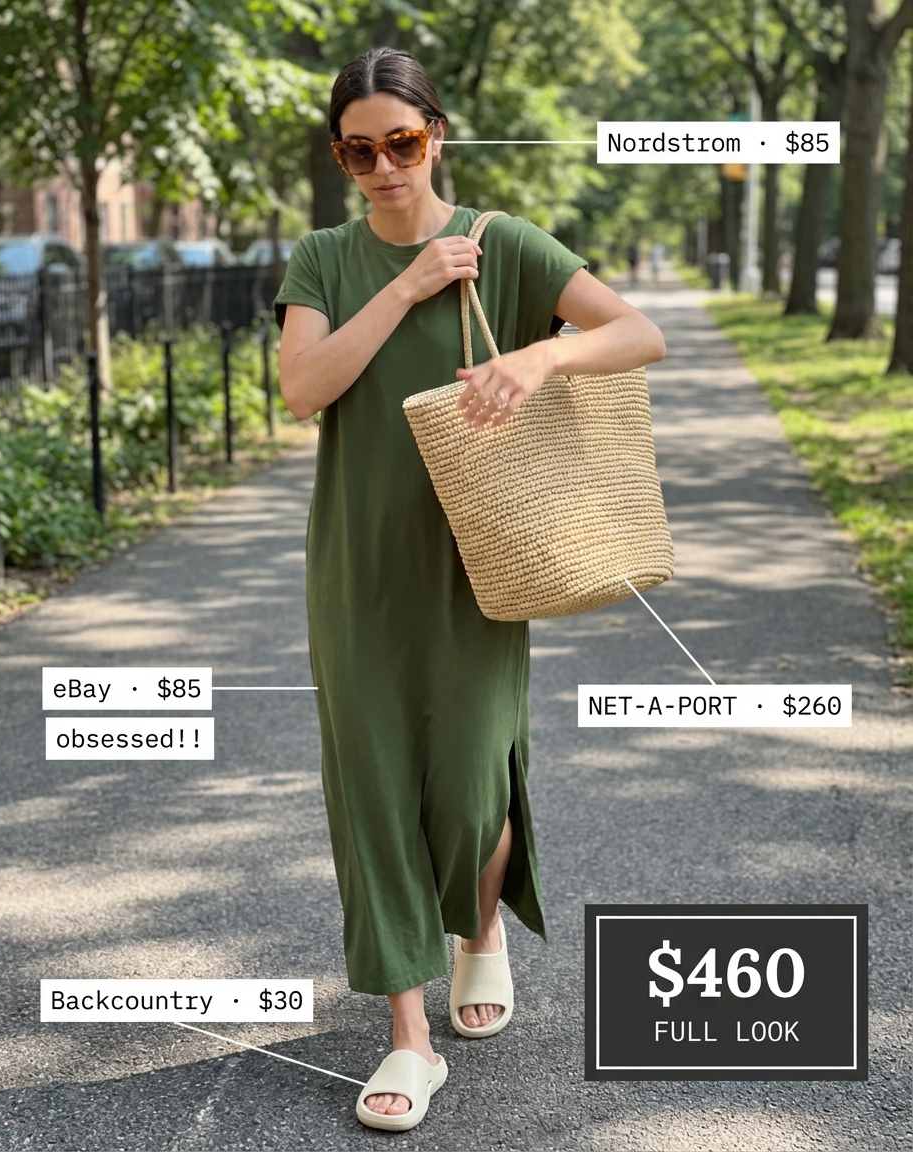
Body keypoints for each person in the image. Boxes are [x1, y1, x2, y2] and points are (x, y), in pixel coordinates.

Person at [274, 47, 666, 1132]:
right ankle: (407, 1037)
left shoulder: (505, 244)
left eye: (401, 143)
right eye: (360, 151)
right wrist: (405, 283)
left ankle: (478, 930)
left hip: (484, 557)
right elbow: (303, 387)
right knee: (372, 794)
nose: (384, 168)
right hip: (358, 569)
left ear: (435, 135)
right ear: (344, 159)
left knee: (468, 785)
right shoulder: (323, 258)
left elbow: (640, 332)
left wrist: (538, 361)